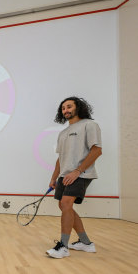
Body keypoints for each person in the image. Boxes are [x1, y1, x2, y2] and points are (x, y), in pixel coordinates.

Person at [46, 97, 102, 259]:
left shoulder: (89, 125)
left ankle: (63, 246)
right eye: (63, 108)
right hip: (65, 175)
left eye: (69, 106)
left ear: (78, 107)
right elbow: (60, 158)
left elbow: (97, 150)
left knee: (65, 203)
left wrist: (77, 171)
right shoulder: (63, 133)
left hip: (81, 173)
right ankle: (85, 243)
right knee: (64, 207)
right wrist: (54, 177)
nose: (66, 110)